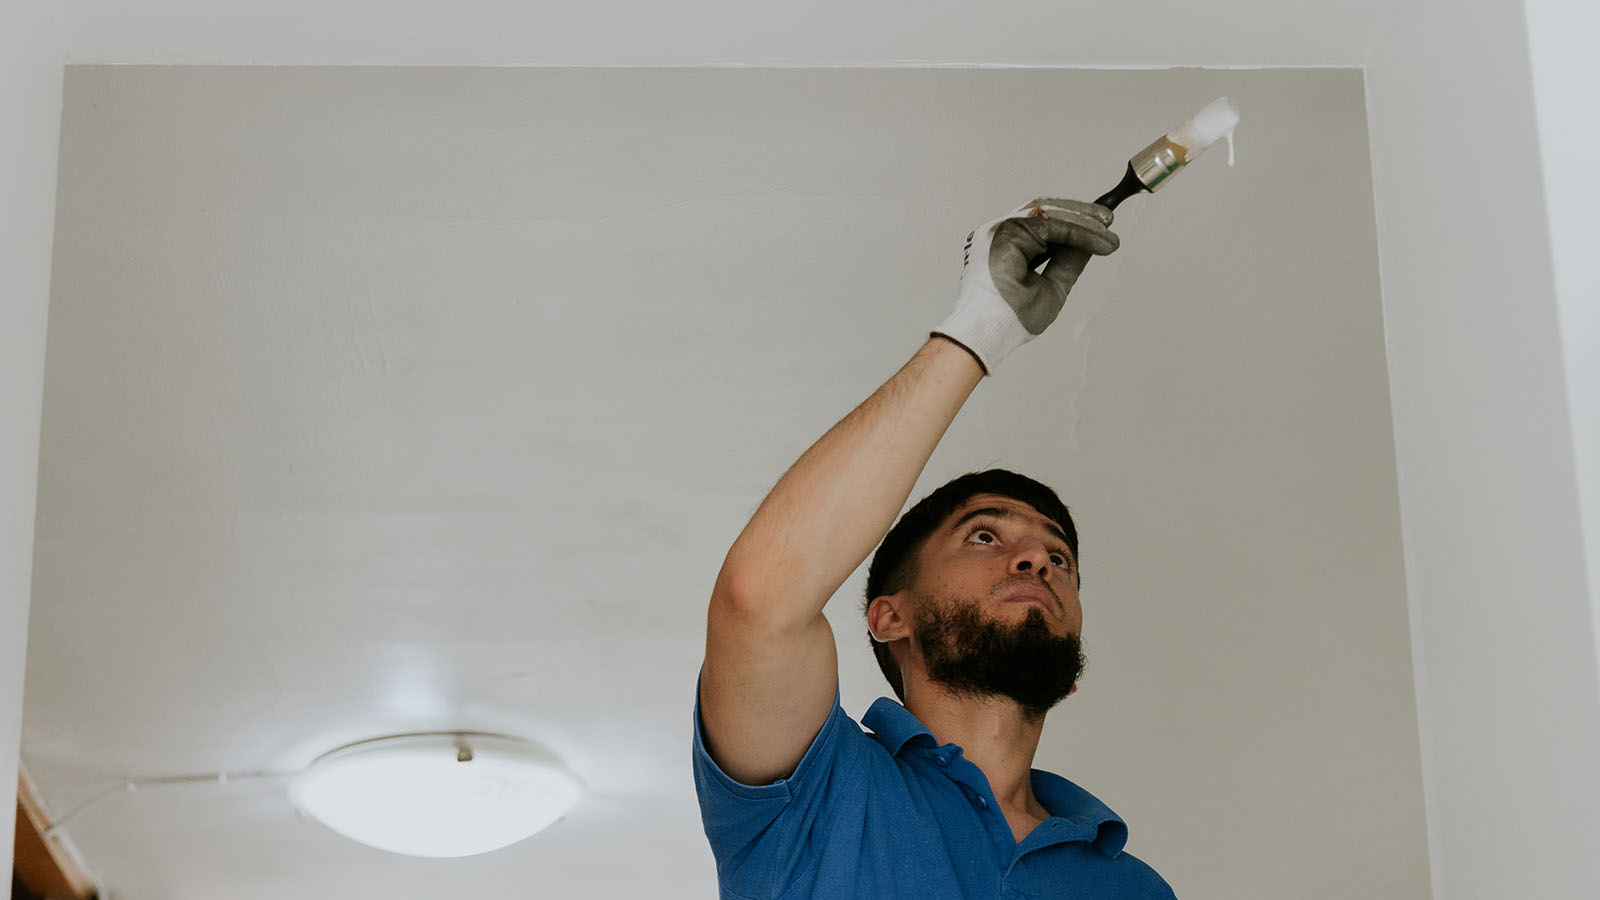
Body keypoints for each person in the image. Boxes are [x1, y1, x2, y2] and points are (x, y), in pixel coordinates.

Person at [694, 197, 1178, 898]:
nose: (1037, 560)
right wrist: (981, 329)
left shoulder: (1134, 887)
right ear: (891, 616)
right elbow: (759, 600)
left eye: (1059, 559)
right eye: (986, 535)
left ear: (1071, 669)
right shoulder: (815, 793)